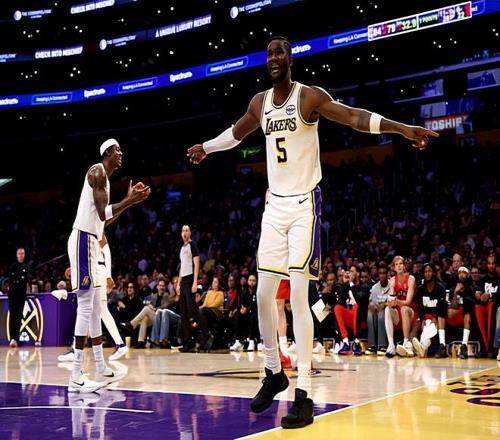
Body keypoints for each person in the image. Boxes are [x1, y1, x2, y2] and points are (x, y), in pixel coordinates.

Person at [187, 36, 438, 428]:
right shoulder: (259, 103)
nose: (274, 57)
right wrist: (206, 147)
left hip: (304, 204)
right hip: (274, 207)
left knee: (298, 296)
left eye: (280, 52)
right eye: (269, 53)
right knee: (263, 295)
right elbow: (235, 133)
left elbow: (353, 117)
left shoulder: (309, 97)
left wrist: (401, 128)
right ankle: (273, 372)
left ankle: (303, 392)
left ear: (290, 59)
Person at [67, 138, 150, 393]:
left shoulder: (106, 180)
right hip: (83, 240)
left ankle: (100, 366)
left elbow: (103, 221)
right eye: (117, 150)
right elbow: (104, 213)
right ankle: (76, 375)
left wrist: (129, 201)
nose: (121, 153)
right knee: (85, 307)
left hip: (92, 241)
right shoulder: (97, 172)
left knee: (94, 308)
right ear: (107, 153)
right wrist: (129, 200)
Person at [412, 264, 447, 358]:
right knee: (426, 327)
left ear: (434, 273)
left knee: (431, 327)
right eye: (426, 272)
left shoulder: (440, 288)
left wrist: (435, 317)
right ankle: (422, 348)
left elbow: (442, 306)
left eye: (429, 271)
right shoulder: (421, 289)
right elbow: (420, 306)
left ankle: (422, 347)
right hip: (425, 316)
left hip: (436, 317)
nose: (427, 274)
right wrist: (422, 318)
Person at [385, 256, 417, 358]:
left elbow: (408, 302)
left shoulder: (411, 279)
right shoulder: (392, 280)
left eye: (401, 264)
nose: (399, 266)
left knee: (404, 308)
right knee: (387, 309)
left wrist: (396, 302)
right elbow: (391, 298)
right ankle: (391, 345)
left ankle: (406, 342)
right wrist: (390, 302)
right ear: (394, 268)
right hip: (399, 313)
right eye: (396, 264)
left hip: (411, 311)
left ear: (404, 266)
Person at [178, 225, 200, 352]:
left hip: (190, 279)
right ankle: (187, 341)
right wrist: (178, 283)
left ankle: (205, 334)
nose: (184, 232)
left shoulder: (193, 245)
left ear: (190, 233)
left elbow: (196, 264)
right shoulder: (182, 248)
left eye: (186, 230)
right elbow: (182, 266)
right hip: (183, 281)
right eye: (183, 230)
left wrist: (195, 282)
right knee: (183, 313)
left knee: (192, 310)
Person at [447, 266, 475, 359]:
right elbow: (453, 306)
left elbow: (472, 305)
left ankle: (464, 346)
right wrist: (455, 292)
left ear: (468, 275)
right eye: (459, 273)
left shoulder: (471, 288)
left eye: (464, 273)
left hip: (467, 315)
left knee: (467, 312)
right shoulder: (453, 289)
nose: (461, 275)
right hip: (456, 315)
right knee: (449, 311)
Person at [475, 255, 499, 356]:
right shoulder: (483, 279)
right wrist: (478, 294)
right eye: (489, 263)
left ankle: (490, 347)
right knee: (477, 308)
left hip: (495, 306)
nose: (491, 266)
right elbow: (478, 291)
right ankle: (484, 347)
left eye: (493, 263)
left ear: (496, 265)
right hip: (483, 305)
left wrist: (490, 295)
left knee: (491, 305)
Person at [366, 262, 390, 355]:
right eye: (380, 273)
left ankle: (382, 345)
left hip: (389, 311)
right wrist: (371, 306)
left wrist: (385, 304)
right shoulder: (374, 287)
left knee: (382, 313)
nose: (382, 275)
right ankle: (372, 345)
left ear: (387, 274)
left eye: (384, 273)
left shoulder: (392, 285)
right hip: (377, 310)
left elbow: (394, 301)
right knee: (370, 313)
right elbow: (370, 303)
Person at [8, 247, 30, 347]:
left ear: (24, 255)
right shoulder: (12, 266)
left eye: (22, 253)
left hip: (21, 294)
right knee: (12, 315)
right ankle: (12, 338)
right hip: (12, 294)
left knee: (18, 316)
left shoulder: (26, 266)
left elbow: (26, 279)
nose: (21, 255)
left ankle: (16, 338)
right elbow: (11, 278)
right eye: (19, 254)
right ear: (16, 255)